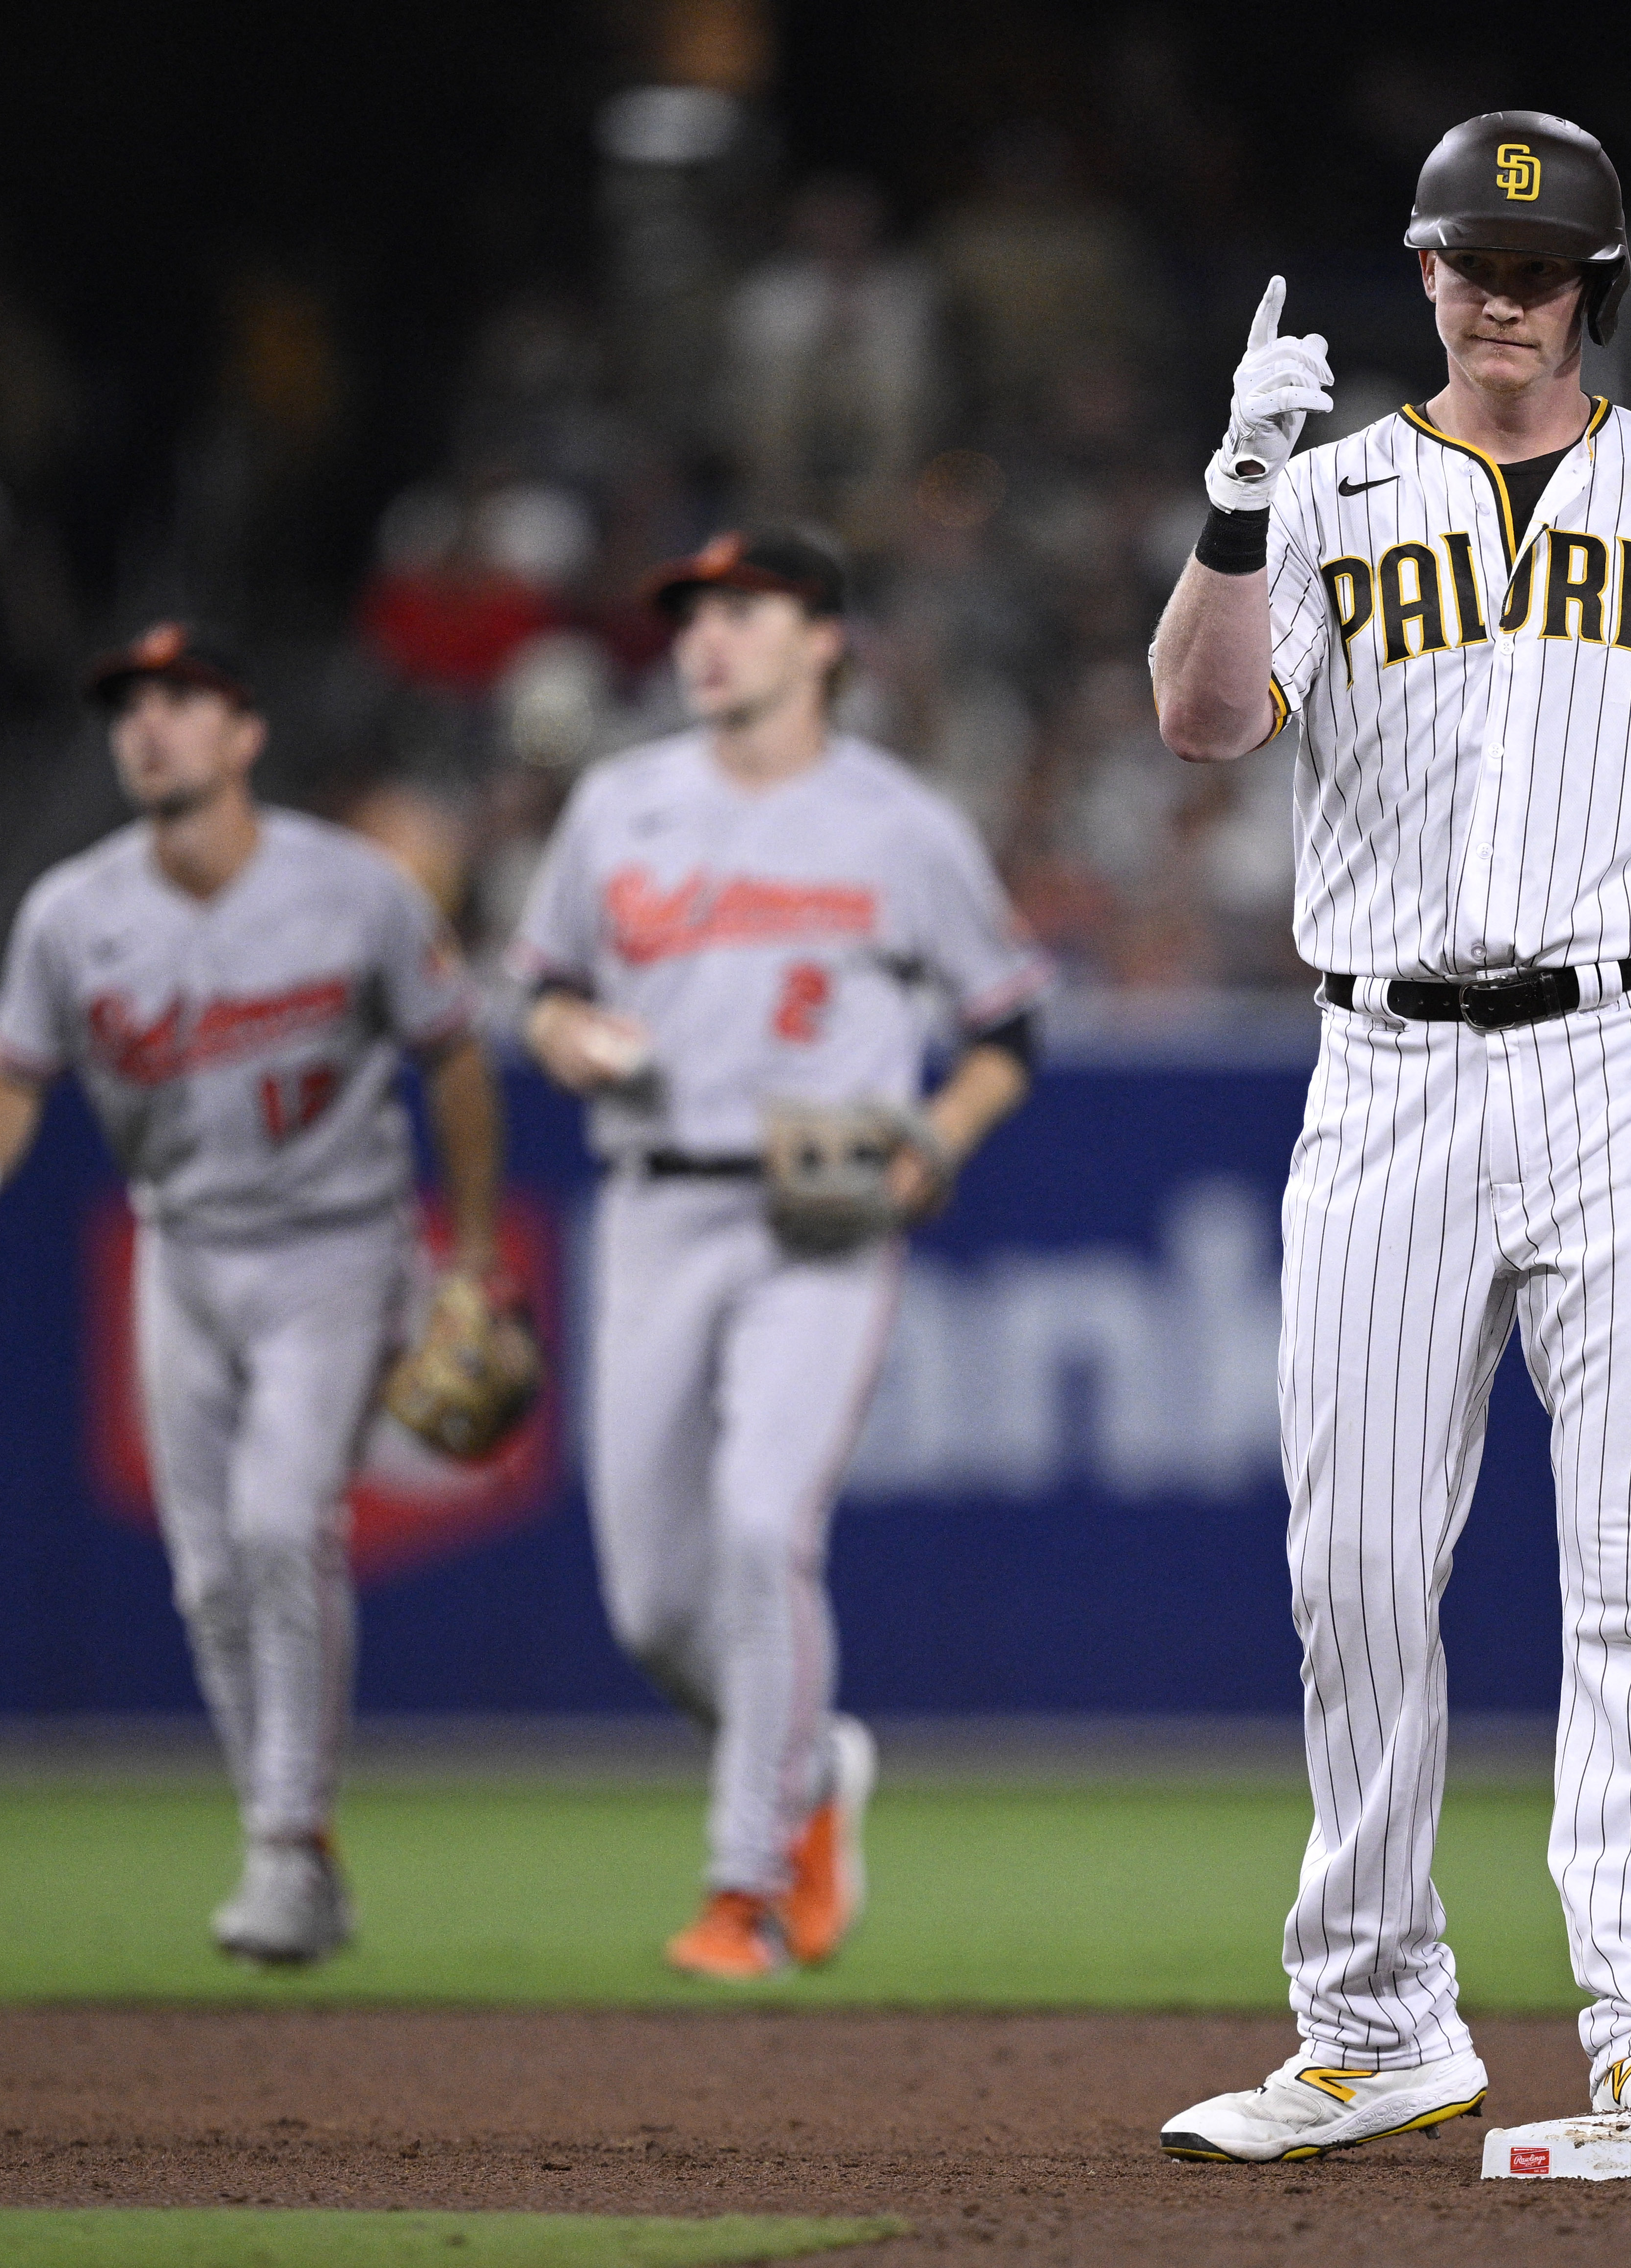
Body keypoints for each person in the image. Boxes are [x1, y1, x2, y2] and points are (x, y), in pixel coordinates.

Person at [1145, 112, 1631, 2160]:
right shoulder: (1335, 487)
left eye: (1536, 269)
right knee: (1354, 1565)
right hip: (1383, 1068)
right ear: (1424, 270)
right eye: (1468, 261)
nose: (1498, 294)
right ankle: (1372, 2025)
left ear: (1591, 288)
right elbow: (1199, 720)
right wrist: (1232, 499)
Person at [0, 621, 507, 1967]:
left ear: (245, 734)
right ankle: (290, 1839)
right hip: (180, 1251)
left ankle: (286, 1850)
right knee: (205, 1577)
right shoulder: (72, 909)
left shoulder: (356, 890)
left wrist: (466, 1257)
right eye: (131, 706)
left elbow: (456, 1060)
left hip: (340, 1243)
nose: (150, 726)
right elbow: (13, 1070)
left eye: (182, 702)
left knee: (282, 1522)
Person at [505, 530, 1047, 1980]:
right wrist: (565, 1035)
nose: (707, 637)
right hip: (651, 1205)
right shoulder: (620, 806)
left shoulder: (897, 822)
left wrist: (934, 1139)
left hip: (820, 1213)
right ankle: (811, 1768)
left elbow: (1006, 1031)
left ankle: (743, 1881)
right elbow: (541, 988)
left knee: (762, 1523)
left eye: (743, 611)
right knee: (650, 1608)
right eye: (692, 612)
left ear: (821, 640)